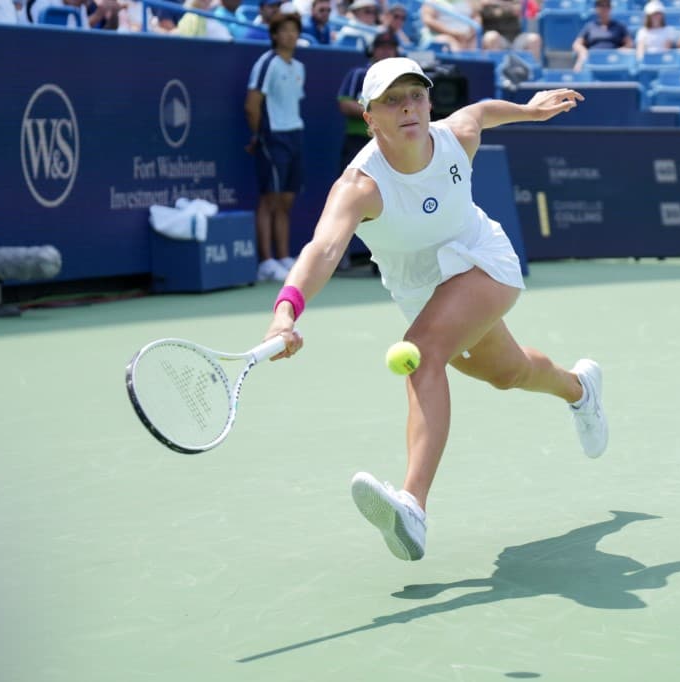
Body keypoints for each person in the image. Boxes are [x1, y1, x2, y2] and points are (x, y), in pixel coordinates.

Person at [261, 57, 606, 561]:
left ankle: (412, 508)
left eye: (416, 96)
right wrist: (286, 311)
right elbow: (324, 250)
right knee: (508, 373)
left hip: (482, 261)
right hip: (422, 290)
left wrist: (529, 111)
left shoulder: (453, 137)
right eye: (392, 101)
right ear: (369, 116)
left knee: (421, 355)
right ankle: (581, 389)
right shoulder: (360, 186)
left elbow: (480, 112)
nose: (408, 108)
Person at [245, 10, 306, 281]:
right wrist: (259, 135)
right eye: (285, 30)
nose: (291, 35)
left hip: (295, 136)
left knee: (286, 200)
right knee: (270, 199)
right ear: (274, 35)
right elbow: (252, 105)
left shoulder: (298, 67)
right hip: (273, 137)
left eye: (294, 30)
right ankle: (265, 261)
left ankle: (282, 256)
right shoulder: (266, 63)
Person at [338, 31, 401, 173]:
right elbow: (345, 104)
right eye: (381, 47)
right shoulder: (359, 74)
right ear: (372, 50)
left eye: (390, 48)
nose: (386, 52)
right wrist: (379, 114)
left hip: (390, 142)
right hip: (358, 140)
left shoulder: (401, 80)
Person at [572, 0, 633, 71]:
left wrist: (620, 51)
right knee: (580, 60)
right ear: (596, 8)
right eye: (601, 5)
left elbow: (629, 43)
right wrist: (583, 51)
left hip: (613, 59)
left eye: (607, 5)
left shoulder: (619, 26)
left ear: (610, 8)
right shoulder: (590, 26)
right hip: (593, 58)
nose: (604, 8)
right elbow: (576, 44)